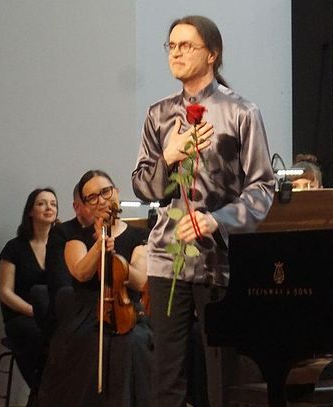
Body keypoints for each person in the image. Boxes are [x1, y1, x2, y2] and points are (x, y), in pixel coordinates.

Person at [132, 15, 275, 407]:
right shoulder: (158, 114)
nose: (176, 53)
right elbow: (142, 186)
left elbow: (262, 187)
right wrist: (169, 156)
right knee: (166, 376)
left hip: (220, 260)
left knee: (222, 375)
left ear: (212, 54)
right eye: (171, 46)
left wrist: (216, 220)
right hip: (167, 259)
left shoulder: (241, 112)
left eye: (186, 46)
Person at [38, 170, 152, 406]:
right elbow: (81, 272)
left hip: (128, 311)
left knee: (133, 343)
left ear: (116, 192)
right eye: (92, 197)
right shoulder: (74, 234)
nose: (101, 200)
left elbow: (140, 280)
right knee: (89, 345)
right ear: (85, 205)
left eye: (105, 192)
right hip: (87, 314)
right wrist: (99, 245)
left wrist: (116, 258)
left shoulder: (139, 235)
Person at [0, 187, 58, 395]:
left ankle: (56, 392)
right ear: (30, 211)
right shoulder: (14, 248)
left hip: (50, 318)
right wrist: (34, 311)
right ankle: (41, 392)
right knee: (38, 335)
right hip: (21, 317)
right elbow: (5, 293)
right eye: (42, 203)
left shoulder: (61, 246)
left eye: (53, 204)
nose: (49, 207)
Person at [44, 183, 94, 333]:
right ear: (77, 207)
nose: (101, 204)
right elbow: (61, 283)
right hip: (74, 313)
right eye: (91, 200)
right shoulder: (62, 233)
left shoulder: (116, 231)